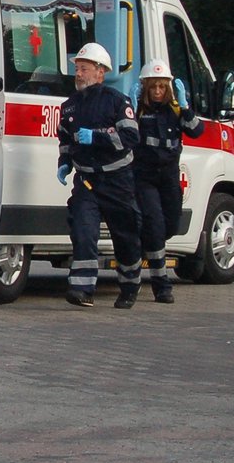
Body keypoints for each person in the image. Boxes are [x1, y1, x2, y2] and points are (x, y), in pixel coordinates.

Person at [57, 42, 142, 308]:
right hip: (87, 180)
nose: (79, 74)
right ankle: (82, 290)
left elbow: (130, 136)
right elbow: (65, 140)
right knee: (83, 231)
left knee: (126, 236)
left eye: (84, 69)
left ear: (100, 73)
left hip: (118, 180)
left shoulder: (116, 101)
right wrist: (64, 162)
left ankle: (129, 285)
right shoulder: (69, 106)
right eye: (77, 69)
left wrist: (97, 137)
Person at [131, 60, 206, 304]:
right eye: (153, 87)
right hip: (145, 176)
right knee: (154, 224)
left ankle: (146, 246)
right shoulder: (139, 110)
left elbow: (196, 131)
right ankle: (161, 285)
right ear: (146, 87)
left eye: (162, 87)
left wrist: (185, 107)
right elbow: (128, 136)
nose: (158, 91)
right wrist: (131, 110)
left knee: (171, 225)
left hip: (169, 176)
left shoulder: (174, 110)